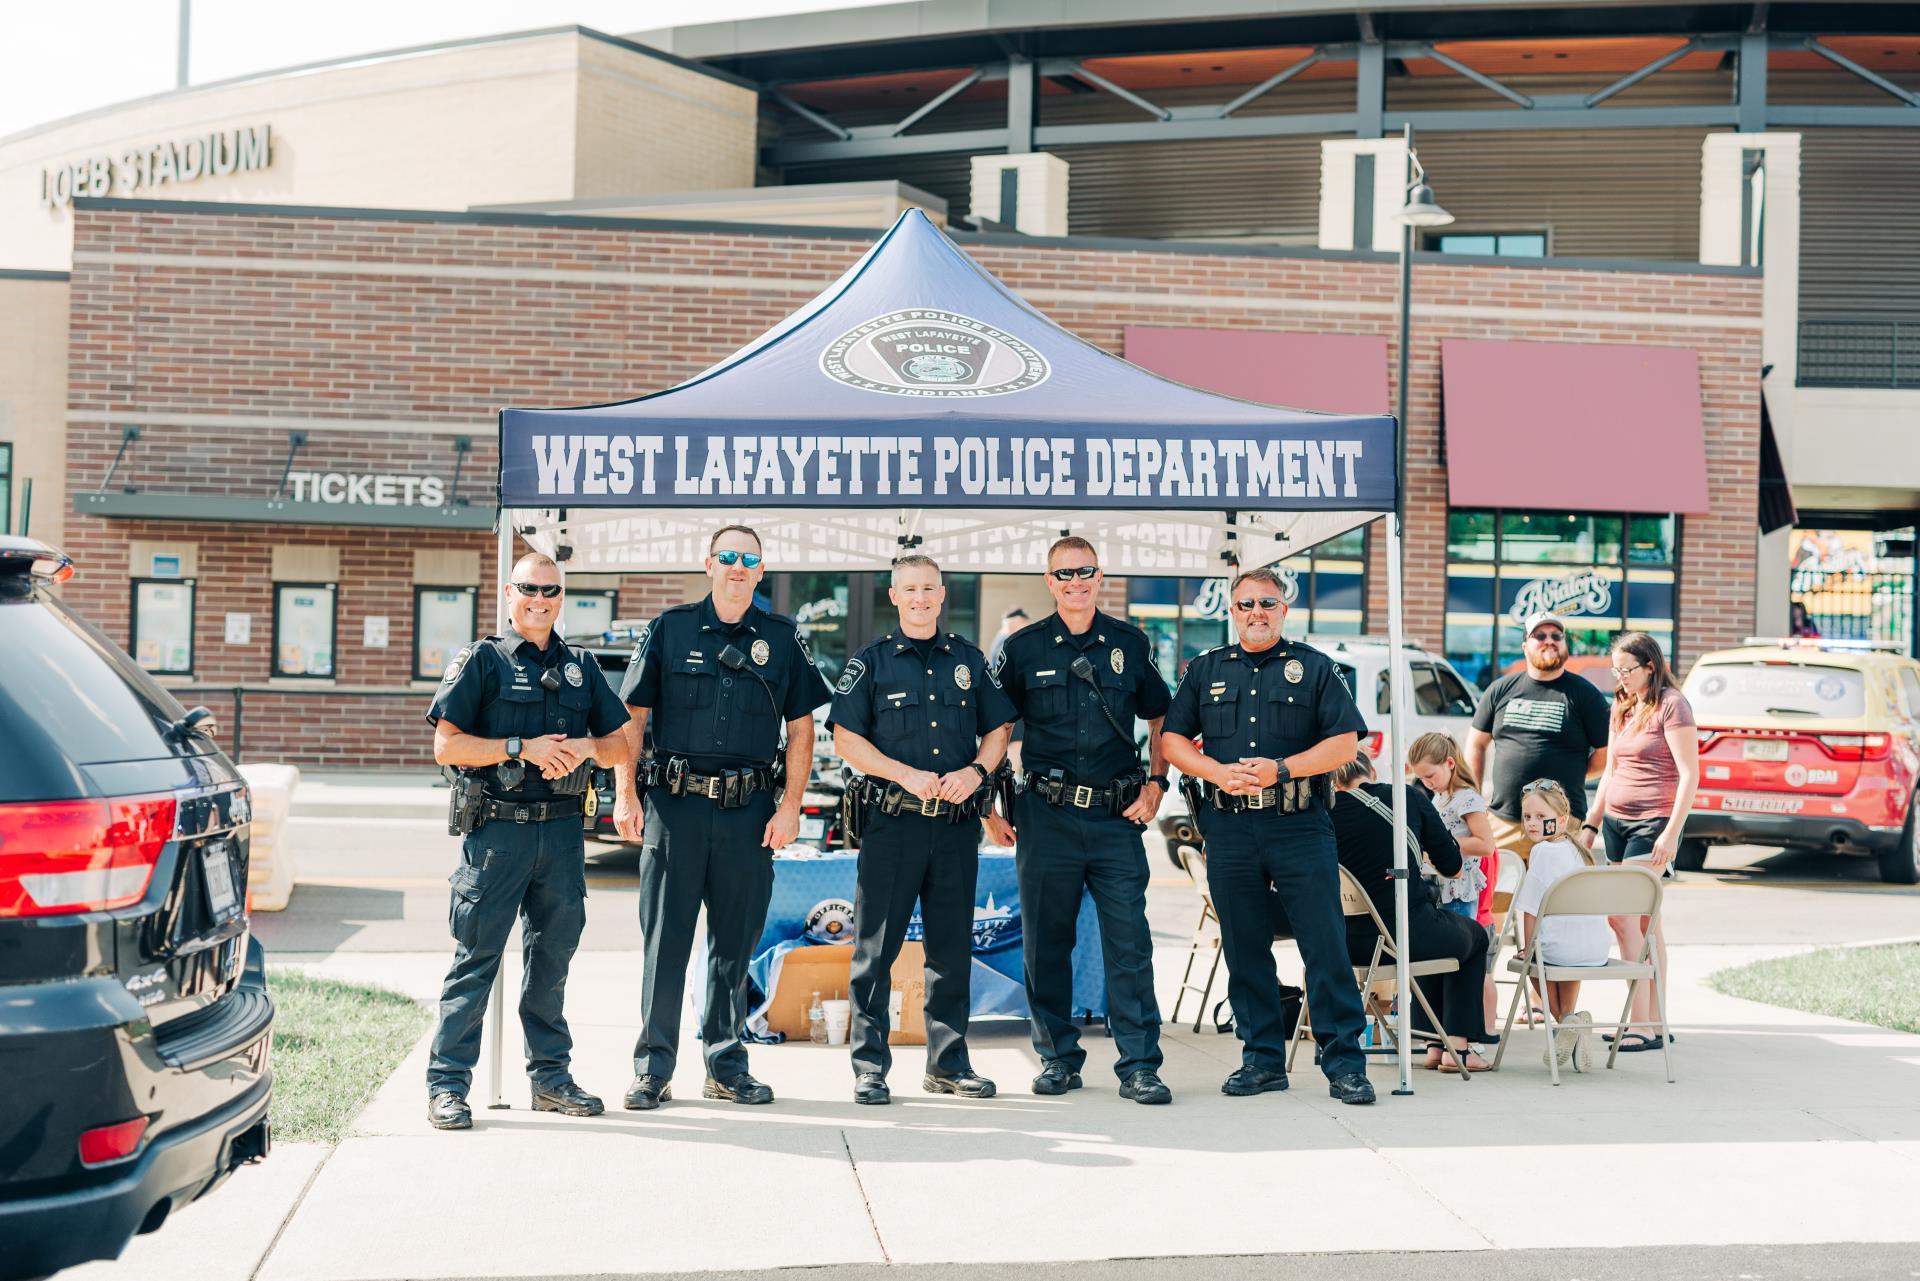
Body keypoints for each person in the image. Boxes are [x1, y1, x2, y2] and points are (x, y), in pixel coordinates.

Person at [611, 525, 832, 1109]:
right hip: (675, 809)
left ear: (761, 571)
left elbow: (802, 727)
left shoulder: (783, 639)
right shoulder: (670, 628)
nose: (738, 567)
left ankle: (726, 1064)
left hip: (749, 814)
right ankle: (652, 1069)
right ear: (708, 564)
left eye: (749, 559)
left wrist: (790, 807)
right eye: (728, 557)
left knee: (734, 946)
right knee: (665, 945)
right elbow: (633, 715)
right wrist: (625, 793)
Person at [424, 552, 632, 1131]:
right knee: (475, 962)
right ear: (510, 594)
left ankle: (550, 1079)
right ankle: (447, 1086)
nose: (540, 600)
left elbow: (619, 747)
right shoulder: (482, 661)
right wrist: (522, 747)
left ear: (562, 598)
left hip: (563, 836)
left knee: (551, 962)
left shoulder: (581, 666)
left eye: (551, 591)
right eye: (529, 589)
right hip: (497, 834)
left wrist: (588, 748)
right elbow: (447, 747)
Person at [1160, 570, 1378, 1105]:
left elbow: (1345, 744)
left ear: (1285, 608)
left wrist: (1281, 769)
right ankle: (1261, 1060)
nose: (1255, 612)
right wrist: (1214, 772)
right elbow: (1171, 741)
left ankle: (1344, 1063)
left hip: (1299, 825)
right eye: (1245, 604)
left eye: (1267, 603)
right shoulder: (1204, 669)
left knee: (1324, 945)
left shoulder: (1316, 668)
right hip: (1230, 826)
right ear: (1231, 611)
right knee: (1244, 945)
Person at [983, 536, 1174, 1104]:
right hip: (1046, 817)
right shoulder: (1022, 648)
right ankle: (1057, 1058)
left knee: (1130, 944)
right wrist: (992, 804)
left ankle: (1140, 1064)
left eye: (1084, 571)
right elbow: (995, 727)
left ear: (1099, 576)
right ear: (1049, 581)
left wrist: (1158, 783)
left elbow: (1163, 715)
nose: (1074, 581)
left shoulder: (1129, 644)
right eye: (1063, 573)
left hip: (1117, 818)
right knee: (1046, 944)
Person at [828, 555, 1016, 1105]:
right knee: (875, 953)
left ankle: (949, 1065)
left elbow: (998, 730)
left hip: (956, 829)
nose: (919, 598)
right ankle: (869, 1067)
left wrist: (976, 772)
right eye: (909, 589)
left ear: (941, 593)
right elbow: (845, 738)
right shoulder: (873, 663)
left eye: (928, 588)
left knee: (951, 953)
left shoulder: (969, 660)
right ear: (894, 596)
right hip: (892, 825)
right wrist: (904, 774)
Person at [1329, 752, 1494, 1075]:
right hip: (1403, 936)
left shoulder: (1324, 813)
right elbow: (1453, 866)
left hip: (1345, 944)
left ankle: (1433, 1043)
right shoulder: (1405, 797)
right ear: (1373, 771)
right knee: (1471, 936)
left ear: (1334, 782)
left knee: (1430, 930)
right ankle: (1455, 1047)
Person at [1580, 631, 1697, 1053]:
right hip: (1615, 822)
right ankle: (1656, 1019)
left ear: (1650, 666)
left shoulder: (1673, 705)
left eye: (1627, 669)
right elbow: (1610, 769)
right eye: (1616, 670)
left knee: (1623, 918)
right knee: (1646, 923)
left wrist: (1670, 832)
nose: (1621, 677)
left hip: (1654, 822)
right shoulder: (1622, 705)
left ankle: (1641, 1022)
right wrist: (1593, 823)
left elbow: (1689, 774)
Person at [1464, 610, 1610, 862]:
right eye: (1539, 635)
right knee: (1497, 898)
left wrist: (1572, 771)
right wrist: (1472, 801)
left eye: (1556, 635)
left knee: (1553, 898)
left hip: (1559, 823)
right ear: (1525, 646)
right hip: (1503, 821)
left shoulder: (1586, 695)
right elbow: (1476, 744)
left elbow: (1605, 756)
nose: (1549, 640)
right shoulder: (1500, 690)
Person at [1511, 779, 1610, 1071]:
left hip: (1561, 950)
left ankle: (1567, 1022)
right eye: (1527, 817)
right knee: (1563, 948)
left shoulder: (1541, 852)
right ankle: (1573, 1022)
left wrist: (1527, 949)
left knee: (1530, 963)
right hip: (1595, 949)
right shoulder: (1578, 850)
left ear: (1563, 819)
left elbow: (1530, 911)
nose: (1532, 823)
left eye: (1541, 817)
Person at [1405, 731, 1500, 1031]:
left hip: (1460, 888)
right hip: (1440, 887)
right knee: (1440, 962)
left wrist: (1446, 844)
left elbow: (1485, 844)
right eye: (1422, 779)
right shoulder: (1439, 797)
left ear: (1449, 763)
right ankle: (1440, 1033)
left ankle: (1457, 1033)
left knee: (1455, 961)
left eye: (1431, 775)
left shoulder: (1467, 798)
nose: (1428, 783)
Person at [987, 606, 1030, 775]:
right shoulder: (1006, 643)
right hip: (1009, 702)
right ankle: (1014, 779)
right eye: (1023, 624)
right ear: (1015, 622)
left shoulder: (1002, 639)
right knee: (1015, 743)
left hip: (1007, 702)